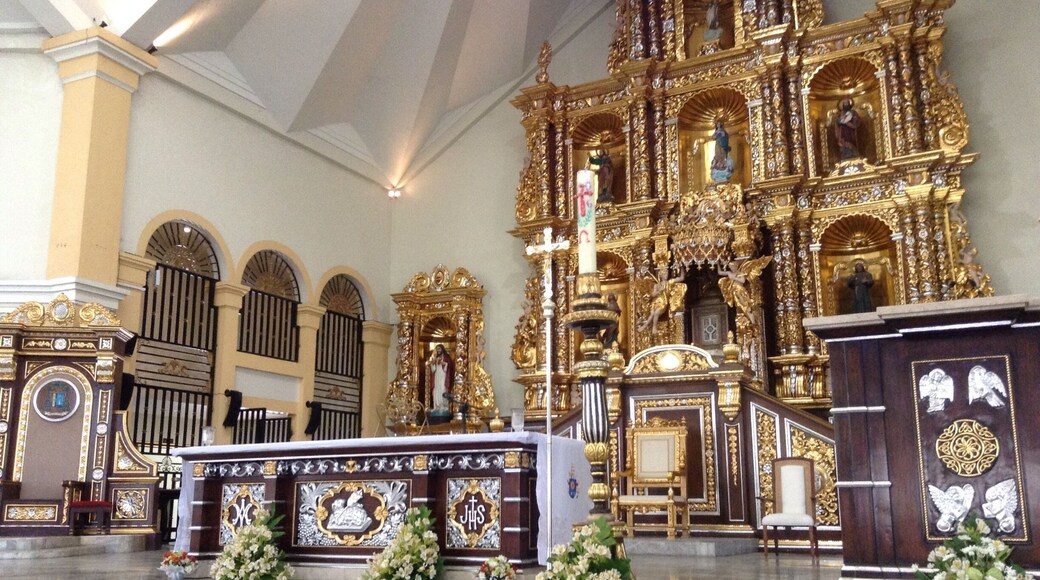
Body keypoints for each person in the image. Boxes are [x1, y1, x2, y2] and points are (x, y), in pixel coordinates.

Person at [427, 344, 454, 411]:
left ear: (442, 349)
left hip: (443, 376)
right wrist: (432, 364)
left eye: (439, 349)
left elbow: (449, 366)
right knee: (436, 390)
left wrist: (444, 364)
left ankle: (444, 406)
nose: (438, 350)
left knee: (442, 389)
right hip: (437, 376)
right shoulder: (435, 358)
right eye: (437, 349)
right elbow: (433, 370)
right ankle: (436, 406)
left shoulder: (446, 357)